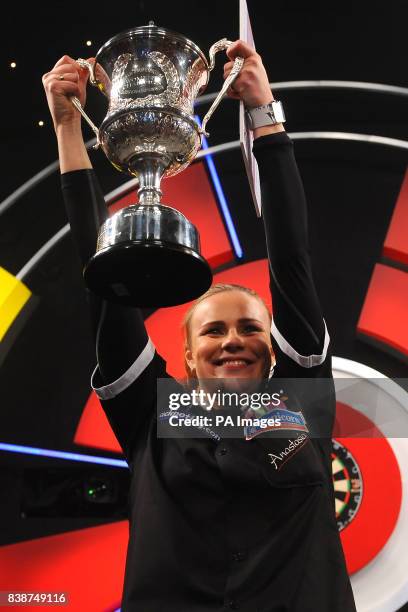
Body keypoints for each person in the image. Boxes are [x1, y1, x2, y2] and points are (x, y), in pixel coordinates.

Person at [43, 39, 357, 612]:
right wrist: (69, 127)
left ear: (274, 348)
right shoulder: (148, 414)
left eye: (249, 329)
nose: (233, 339)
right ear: (186, 356)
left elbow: (291, 261)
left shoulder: (301, 401)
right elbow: (102, 278)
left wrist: (264, 112)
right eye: (213, 331)